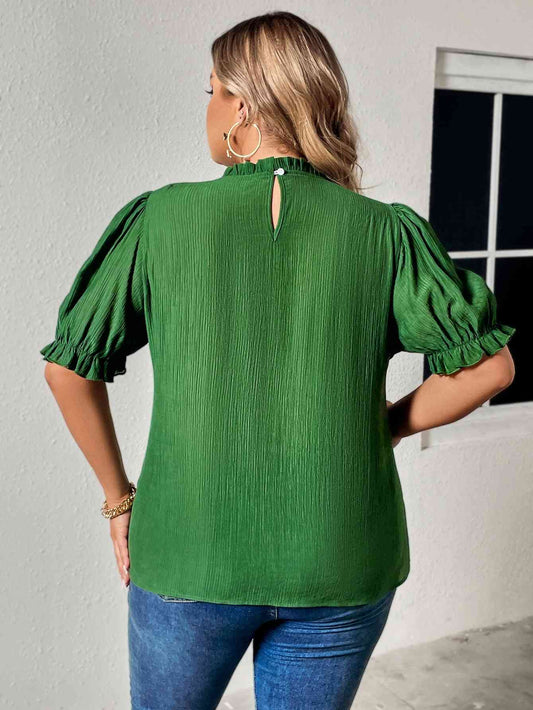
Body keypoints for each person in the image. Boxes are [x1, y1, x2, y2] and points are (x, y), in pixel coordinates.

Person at [39, 10, 516, 710]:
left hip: (188, 552)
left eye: (211, 91)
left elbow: (67, 369)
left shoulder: (158, 220)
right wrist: (383, 426)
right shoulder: (384, 232)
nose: (208, 107)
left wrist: (119, 501)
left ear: (241, 103)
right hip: (341, 553)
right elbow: (492, 368)